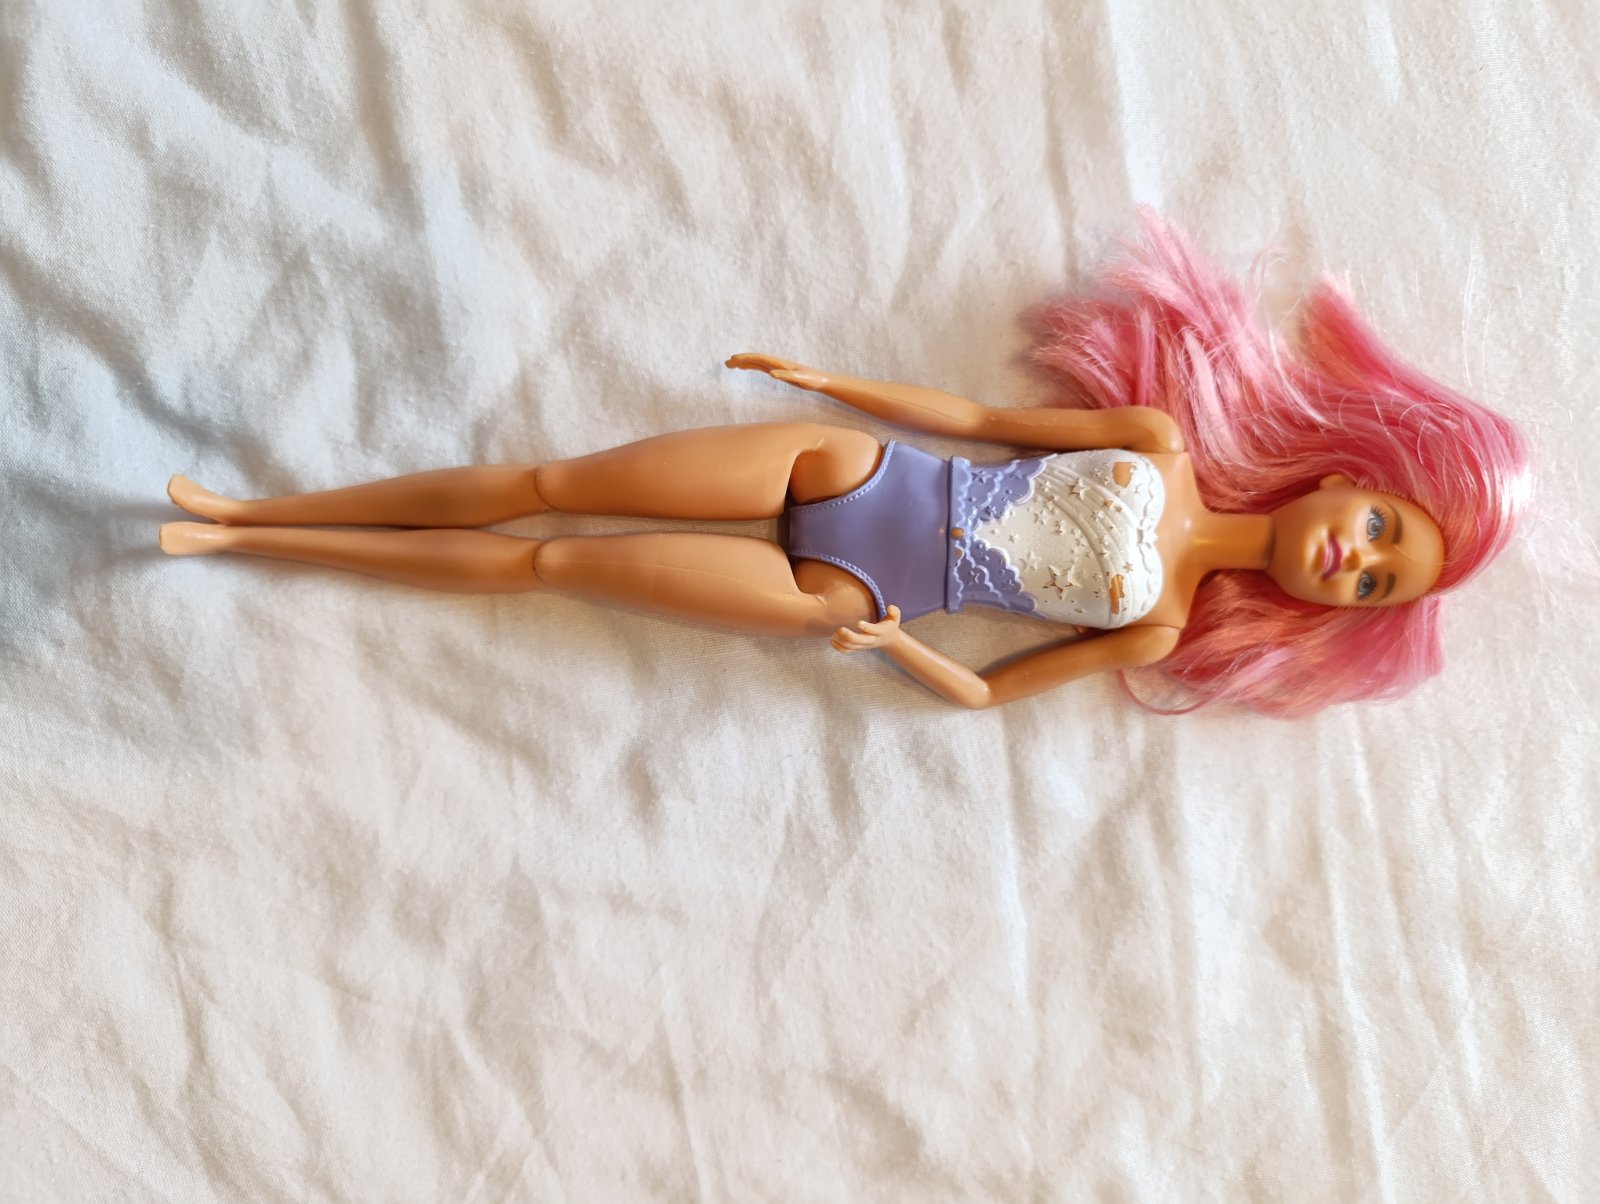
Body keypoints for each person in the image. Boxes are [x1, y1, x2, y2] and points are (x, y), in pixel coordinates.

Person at [159, 215, 1528, 715]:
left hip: (853, 599)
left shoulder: (1161, 625)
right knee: (543, 485)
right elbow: (981, 426)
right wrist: (831, 386)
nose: (1353, 557)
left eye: (1372, 583)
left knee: (553, 560)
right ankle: (247, 508)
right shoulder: (1160, 448)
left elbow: (989, 693)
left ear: (1326, 612)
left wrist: (893, 644)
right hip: (856, 468)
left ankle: (249, 541)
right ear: (1347, 478)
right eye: (1380, 530)